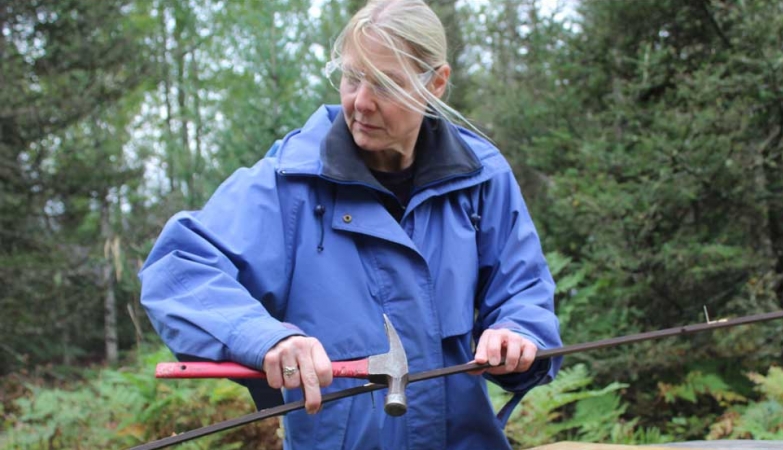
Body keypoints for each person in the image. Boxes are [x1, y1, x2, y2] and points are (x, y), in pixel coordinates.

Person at [139, 0, 563, 448]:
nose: (360, 102)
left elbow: (523, 292)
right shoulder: (290, 182)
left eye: (384, 84)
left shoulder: (481, 177)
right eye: (351, 77)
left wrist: (518, 334)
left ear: (435, 83)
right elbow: (179, 269)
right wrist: (267, 338)